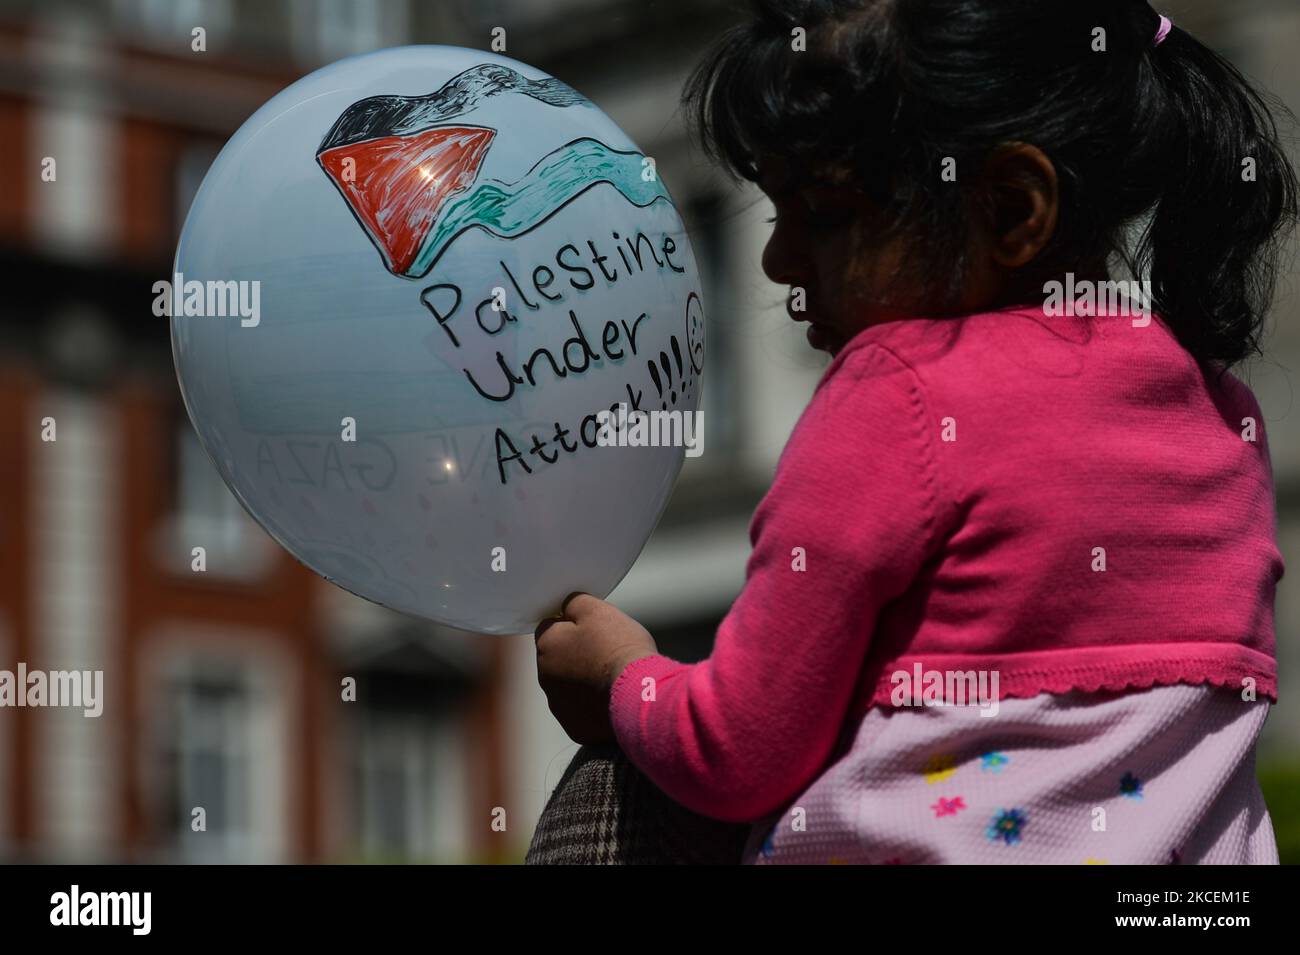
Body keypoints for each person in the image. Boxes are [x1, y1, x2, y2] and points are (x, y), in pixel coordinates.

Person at [531, 0, 1298, 864]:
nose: (776, 260)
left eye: (822, 213)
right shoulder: (1225, 412)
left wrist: (622, 677)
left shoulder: (899, 389)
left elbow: (737, 752)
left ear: (1013, 207)